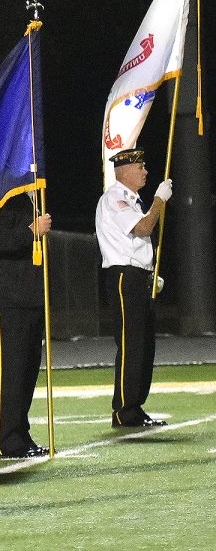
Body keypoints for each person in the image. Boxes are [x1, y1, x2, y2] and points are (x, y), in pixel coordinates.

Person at [95, 148, 171, 428]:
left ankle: (135, 406)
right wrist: (159, 201)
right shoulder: (115, 199)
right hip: (124, 278)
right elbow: (142, 228)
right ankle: (124, 410)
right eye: (141, 167)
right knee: (131, 344)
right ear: (124, 170)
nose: (145, 172)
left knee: (145, 344)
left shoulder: (132, 201)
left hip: (139, 277)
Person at [0, 192, 52, 458]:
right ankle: (7, 440)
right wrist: (30, 231)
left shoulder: (36, 195)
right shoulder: (4, 196)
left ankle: (21, 435)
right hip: (8, 298)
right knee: (12, 372)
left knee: (27, 373)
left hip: (31, 297)